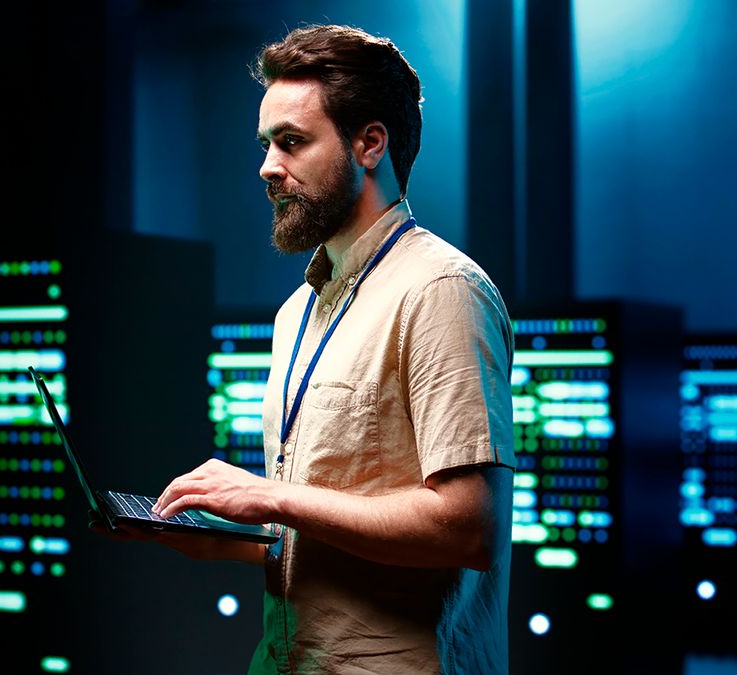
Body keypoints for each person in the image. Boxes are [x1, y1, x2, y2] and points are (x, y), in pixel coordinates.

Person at [112, 24, 515, 674]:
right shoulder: (296, 312)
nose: (268, 167)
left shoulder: (441, 289)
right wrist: (208, 536)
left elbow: (471, 528)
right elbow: (310, 533)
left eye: (292, 142)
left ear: (369, 143)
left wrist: (272, 496)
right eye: (267, 144)